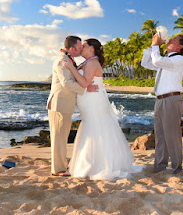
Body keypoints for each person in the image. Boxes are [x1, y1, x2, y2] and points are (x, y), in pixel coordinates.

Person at [62, 39, 144, 180]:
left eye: (85, 45)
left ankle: (96, 165)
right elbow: (85, 82)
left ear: (92, 49)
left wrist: (71, 68)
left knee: (95, 128)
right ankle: (90, 163)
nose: (81, 47)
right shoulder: (88, 62)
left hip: (93, 101)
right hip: (88, 100)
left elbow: (85, 81)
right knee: (91, 127)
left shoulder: (93, 62)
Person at [46, 36, 97, 177]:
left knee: (61, 136)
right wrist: (86, 89)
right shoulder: (61, 61)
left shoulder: (68, 60)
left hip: (63, 104)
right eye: (79, 47)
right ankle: (58, 169)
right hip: (59, 104)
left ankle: (60, 166)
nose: (81, 50)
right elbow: (66, 83)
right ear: (72, 49)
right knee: (59, 137)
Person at [141, 33, 183, 174]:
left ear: (180, 46)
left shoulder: (179, 59)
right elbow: (146, 63)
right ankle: (160, 167)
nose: (169, 40)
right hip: (160, 100)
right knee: (160, 136)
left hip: (171, 99)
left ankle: (176, 168)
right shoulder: (165, 60)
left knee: (172, 136)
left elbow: (156, 61)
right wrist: (152, 46)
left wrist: (156, 45)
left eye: (173, 39)